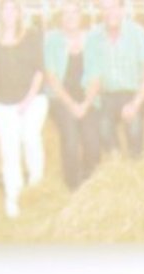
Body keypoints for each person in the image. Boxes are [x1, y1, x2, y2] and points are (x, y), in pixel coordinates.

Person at [0, 0, 48, 219]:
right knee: (9, 149)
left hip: (33, 100)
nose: (10, 13)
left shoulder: (31, 36)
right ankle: (13, 196)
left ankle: (36, 187)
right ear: (0, 13)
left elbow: (39, 71)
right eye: (5, 9)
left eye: (14, 8)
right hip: (3, 103)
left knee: (30, 138)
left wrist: (27, 100)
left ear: (20, 12)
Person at [83, 0, 144, 159]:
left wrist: (135, 103)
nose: (110, 13)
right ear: (100, 12)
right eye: (104, 8)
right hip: (106, 93)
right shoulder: (93, 37)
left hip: (133, 91)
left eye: (114, 7)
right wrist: (90, 102)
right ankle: (115, 159)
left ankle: (136, 159)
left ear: (122, 9)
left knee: (134, 123)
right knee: (102, 126)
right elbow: (91, 75)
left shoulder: (138, 33)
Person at [42, 0, 98, 190]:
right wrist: (72, 105)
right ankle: (73, 187)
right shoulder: (52, 40)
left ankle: (89, 182)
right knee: (71, 139)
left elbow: (97, 76)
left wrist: (86, 103)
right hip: (60, 98)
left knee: (92, 141)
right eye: (66, 13)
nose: (70, 17)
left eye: (74, 12)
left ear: (80, 16)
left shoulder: (92, 40)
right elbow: (51, 78)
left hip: (87, 97)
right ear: (61, 18)